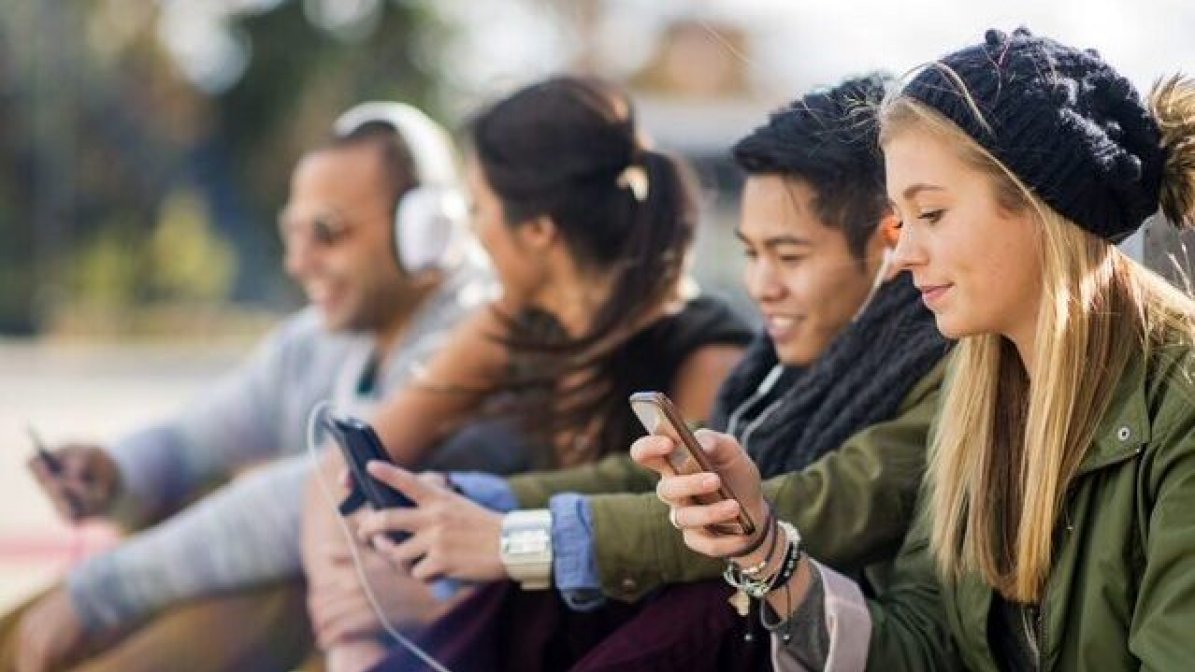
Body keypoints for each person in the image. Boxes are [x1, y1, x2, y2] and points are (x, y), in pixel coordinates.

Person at [356, 74, 953, 671]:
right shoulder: (778, 368)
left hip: (798, 634)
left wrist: (517, 541)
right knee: (542, 598)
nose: (761, 286)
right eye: (751, 253)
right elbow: (657, 479)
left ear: (888, 243)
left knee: (703, 606)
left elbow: (809, 504)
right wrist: (485, 501)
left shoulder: (927, 363)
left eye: (789, 256)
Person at [643, 28, 1195, 671]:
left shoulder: (1180, 406)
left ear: (1043, 206)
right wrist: (763, 545)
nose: (903, 254)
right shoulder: (975, 389)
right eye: (900, 221)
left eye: (930, 214)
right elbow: (921, 648)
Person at [4, 101, 495, 672]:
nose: (298, 262)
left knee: (265, 578)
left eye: (326, 232)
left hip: (384, 632)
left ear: (425, 230)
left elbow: (305, 502)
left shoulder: (476, 335)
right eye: (293, 232)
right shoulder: (319, 337)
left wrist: (100, 592)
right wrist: (118, 470)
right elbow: (193, 439)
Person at [300, 76, 753, 671]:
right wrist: (349, 629)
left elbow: (682, 557)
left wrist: (441, 608)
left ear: (538, 231)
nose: (471, 232)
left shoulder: (704, 357)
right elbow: (339, 472)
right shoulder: (510, 323)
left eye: (478, 208)